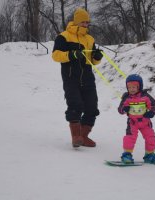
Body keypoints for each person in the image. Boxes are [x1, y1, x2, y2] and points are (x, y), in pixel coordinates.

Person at [52, 8, 103, 148]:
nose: (86, 24)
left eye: (87, 22)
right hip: (71, 77)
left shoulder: (90, 39)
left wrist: (97, 57)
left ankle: (84, 136)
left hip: (87, 77)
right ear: (77, 22)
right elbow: (55, 55)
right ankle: (76, 136)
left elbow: (92, 61)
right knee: (75, 105)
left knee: (92, 106)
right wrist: (71, 55)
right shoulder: (64, 36)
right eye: (83, 22)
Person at [118, 74, 155, 164]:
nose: (131, 89)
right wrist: (124, 109)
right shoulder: (127, 97)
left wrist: (152, 112)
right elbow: (120, 109)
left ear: (139, 87)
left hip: (145, 122)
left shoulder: (145, 96)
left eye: (134, 87)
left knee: (150, 137)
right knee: (130, 138)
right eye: (129, 87)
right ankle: (127, 155)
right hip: (132, 122)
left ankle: (149, 155)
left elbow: (153, 105)